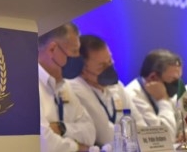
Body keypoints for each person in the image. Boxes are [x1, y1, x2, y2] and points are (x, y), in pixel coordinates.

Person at [68, 35, 146, 147]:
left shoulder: (117, 86)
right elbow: (105, 135)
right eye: (102, 66)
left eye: (110, 61)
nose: (109, 68)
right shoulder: (76, 87)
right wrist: (133, 141)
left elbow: (140, 126)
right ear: (83, 70)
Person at [38, 22, 96, 152]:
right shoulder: (29, 86)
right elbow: (45, 144)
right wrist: (78, 148)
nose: (77, 58)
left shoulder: (65, 86)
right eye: (74, 51)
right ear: (52, 49)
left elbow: (90, 132)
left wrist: (61, 128)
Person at [124, 49, 182, 143]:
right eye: (173, 79)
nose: (177, 84)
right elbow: (165, 138)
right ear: (153, 78)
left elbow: (182, 123)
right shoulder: (133, 96)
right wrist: (163, 100)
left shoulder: (170, 93)